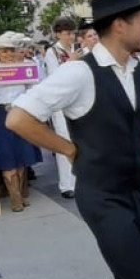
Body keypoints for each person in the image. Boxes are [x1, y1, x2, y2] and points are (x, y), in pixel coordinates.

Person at [7, 0, 140, 279]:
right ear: (119, 25)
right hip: (102, 194)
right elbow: (19, 119)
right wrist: (70, 149)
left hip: (137, 190)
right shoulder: (79, 72)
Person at [0, 34, 43, 212]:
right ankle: (15, 198)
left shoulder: (22, 69)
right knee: (6, 156)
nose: (8, 54)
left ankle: (20, 194)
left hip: (20, 112)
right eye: (4, 51)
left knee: (21, 155)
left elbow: (33, 90)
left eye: (10, 51)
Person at [44, 17, 84, 198]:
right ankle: (67, 184)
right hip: (60, 103)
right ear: (58, 34)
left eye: (72, 33)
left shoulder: (76, 50)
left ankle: (80, 179)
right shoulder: (52, 52)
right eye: (67, 33)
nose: (71, 37)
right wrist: (71, 62)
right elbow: (54, 76)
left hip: (77, 100)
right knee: (64, 141)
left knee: (79, 141)